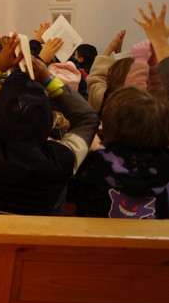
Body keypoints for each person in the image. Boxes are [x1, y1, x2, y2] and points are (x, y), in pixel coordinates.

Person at [0, 34, 99, 215]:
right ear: (47, 120)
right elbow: (87, 118)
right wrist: (48, 81)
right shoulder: (61, 159)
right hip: (44, 234)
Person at [68, 86, 169, 219]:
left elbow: (72, 194)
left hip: (93, 231)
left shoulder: (95, 164)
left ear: (109, 125)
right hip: (155, 233)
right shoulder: (164, 167)